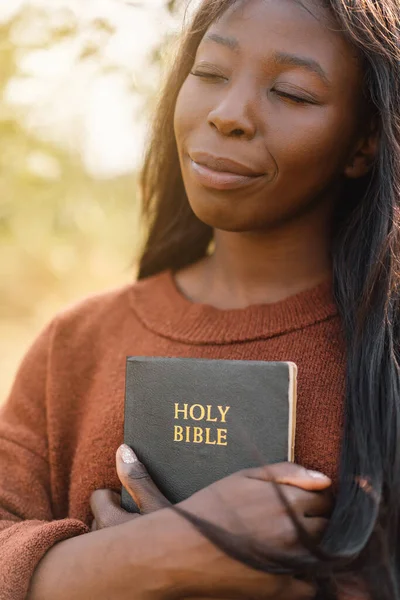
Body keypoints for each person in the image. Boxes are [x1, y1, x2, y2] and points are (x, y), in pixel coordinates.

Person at [0, 0, 399, 597]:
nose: (227, 113)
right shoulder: (76, 343)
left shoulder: (387, 351)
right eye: (210, 73)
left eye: (290, 93)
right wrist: (145, 557)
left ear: (365, 140)